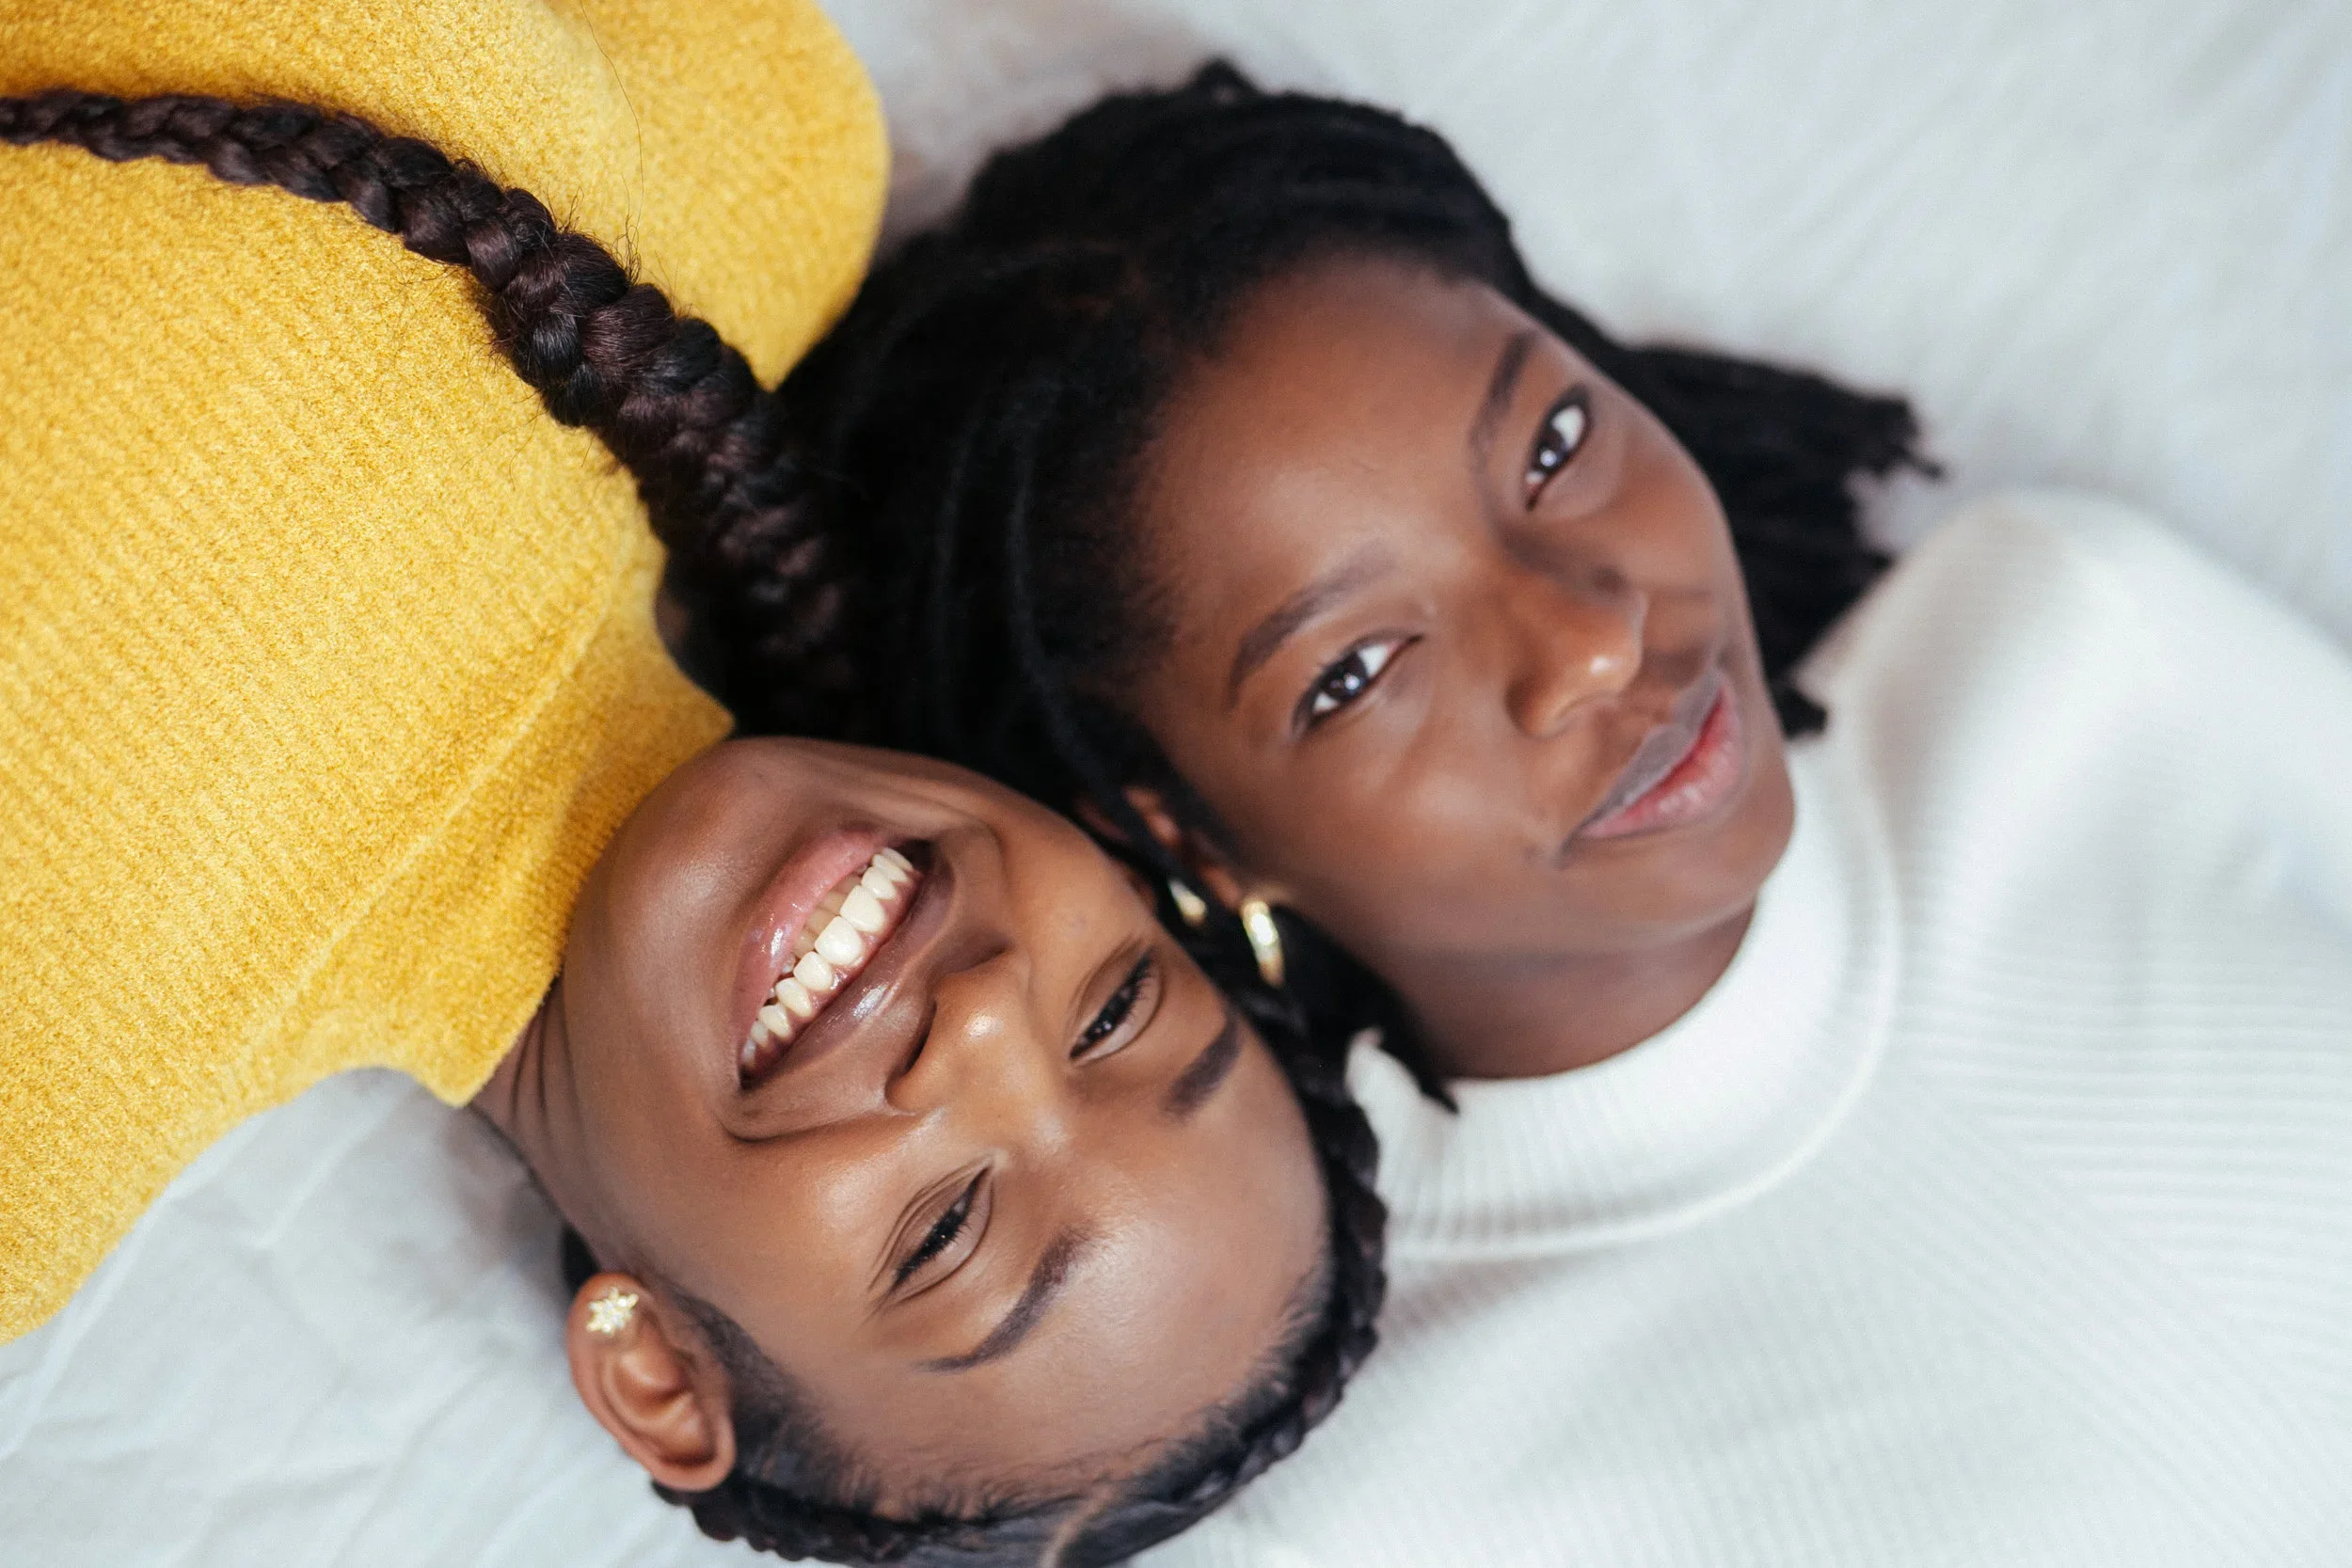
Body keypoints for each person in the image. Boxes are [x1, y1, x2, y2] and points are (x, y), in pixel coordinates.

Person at [704, 66, 2352, 1563]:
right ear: (1183, 834)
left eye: (1554, 442)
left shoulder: (2066, 643)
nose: (1589, 639)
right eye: (1355, 672)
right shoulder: (1365, 1489)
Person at [0, 29, 1385, 1568]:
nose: (990, 1016)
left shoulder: (24, 1131)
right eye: (1118, 1007)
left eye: (943, 1234)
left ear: (656, 1372)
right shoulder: (762, 170)